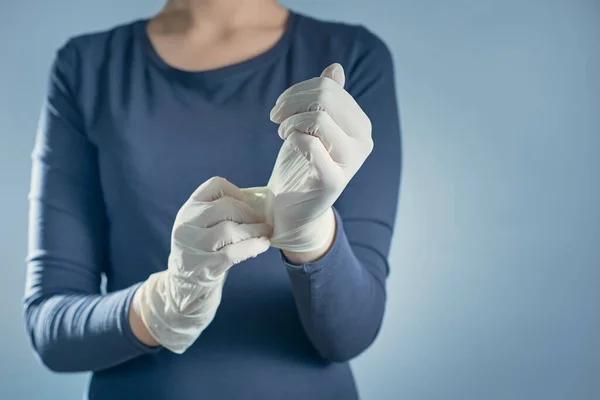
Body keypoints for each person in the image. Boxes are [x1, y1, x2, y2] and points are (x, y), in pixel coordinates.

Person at [24, 0, 401, 398]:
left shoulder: (353, 57)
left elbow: (352, 334)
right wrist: (166, 305)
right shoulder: (88, 68)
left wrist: (311, 236)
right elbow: (51, 330)